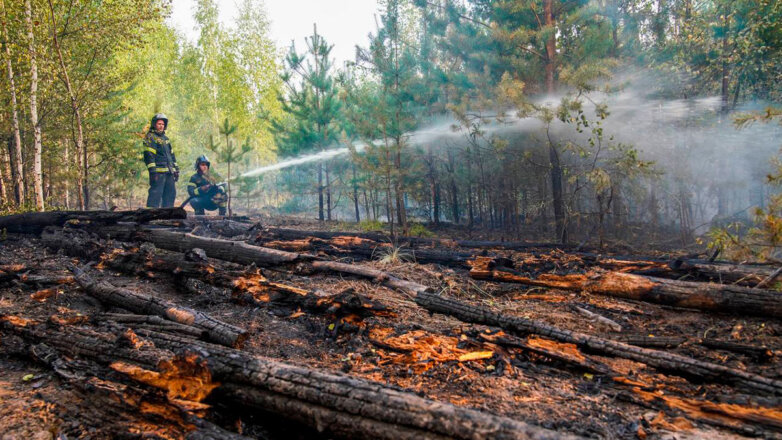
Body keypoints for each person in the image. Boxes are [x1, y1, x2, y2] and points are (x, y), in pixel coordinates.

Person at [143, 113, 179, 208]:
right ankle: (149, 217)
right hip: (158, 173)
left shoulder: (166, 139)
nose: (161, 126)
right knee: (155, 195)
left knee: (170, 195)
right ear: (154, 124)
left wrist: (176, 169)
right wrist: (153, 171)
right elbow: (148, 155)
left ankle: (167, 216)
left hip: (169, 172)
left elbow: (172, 156)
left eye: (163, 124)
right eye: (159, 124)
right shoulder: (150, 137)